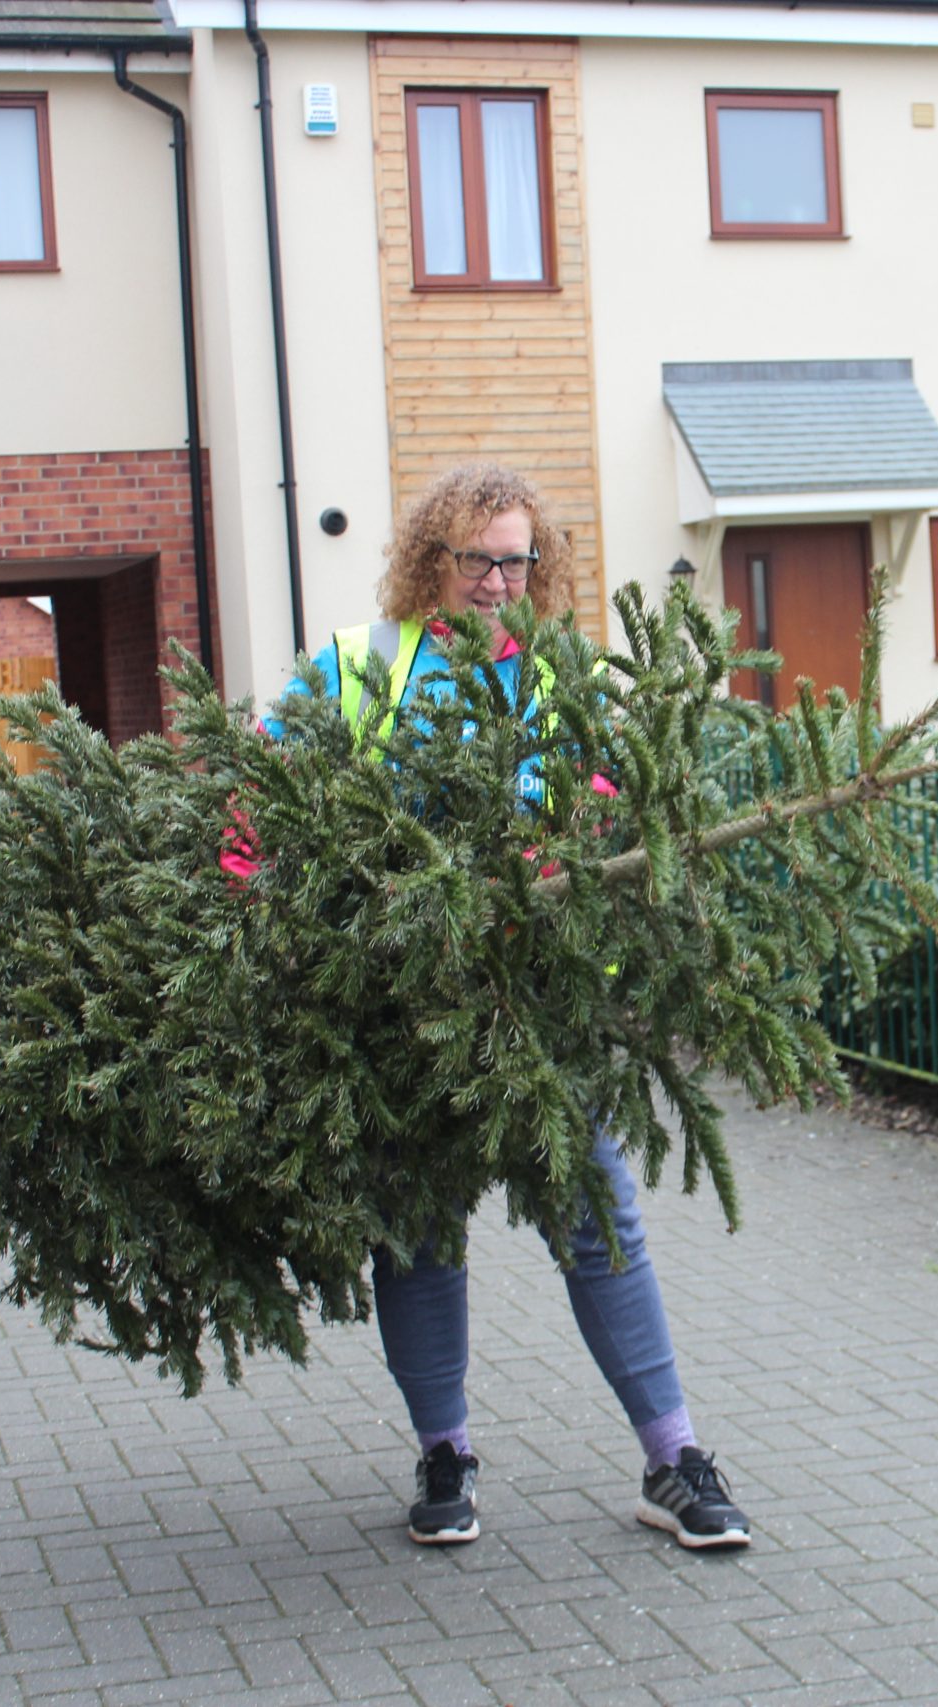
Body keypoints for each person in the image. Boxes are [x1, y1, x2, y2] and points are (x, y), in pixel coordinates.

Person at [268, 463, 751, 1553]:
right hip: (398, 1007)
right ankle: (445, 1455)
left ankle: (673, 1459)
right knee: (420, 1235)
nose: (497, 579)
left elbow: (612, 817)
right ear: (430, 561)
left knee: (599, 1222)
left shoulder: (558, 680)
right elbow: (261, 798)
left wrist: (570, 850)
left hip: (542, 1012)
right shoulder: (359, 667)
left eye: (515, 558)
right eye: (476, 558)